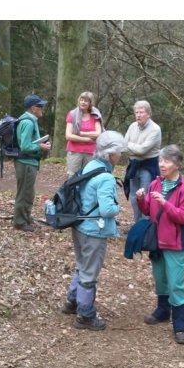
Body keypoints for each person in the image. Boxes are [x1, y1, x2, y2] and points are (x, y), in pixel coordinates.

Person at [60, 130, 127, 330]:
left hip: (79, 225)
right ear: (111, 154)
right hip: (94, 230)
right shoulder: (105, 177)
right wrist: (118, 208)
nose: (121, 155)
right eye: (119, 152)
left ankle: (72, 301)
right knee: (89, 272)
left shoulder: (91, 165)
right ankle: (85, 314)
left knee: (82, 265)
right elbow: (107, 210)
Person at [136, 145, 184, 345]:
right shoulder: (155, 183)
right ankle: (162, 311)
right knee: (160, 279)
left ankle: (180, 325)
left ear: (177, 164)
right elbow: (147, 211)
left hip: (175, 243)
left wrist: (164, 203)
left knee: (176, 284)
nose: (162, 164)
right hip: (156, 241)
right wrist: (142, 199)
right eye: (161, 160)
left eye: (167, 161)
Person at [13, 94, 52, 232]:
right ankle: (19, 222)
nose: (42, 109)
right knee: (24, 193)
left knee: (29, 193)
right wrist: (40, 147)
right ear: (33, 108)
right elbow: (25, 146)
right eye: (40, 106)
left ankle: (26, 218)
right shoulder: (28, 122)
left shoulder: (30, 120)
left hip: (29, 162)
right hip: (25, 163)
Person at [124, 100, 161, 222]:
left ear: (148, 114)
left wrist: (130, 146)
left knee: (145, 197)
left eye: (141, 112)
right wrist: (133, 148)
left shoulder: (155, 129)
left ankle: (146, 226)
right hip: (133, 165)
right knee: (134, 197)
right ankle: (137, 225)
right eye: (136, 112)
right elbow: (123, 146)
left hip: (148, 167)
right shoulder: (132, 126)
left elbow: (142, 150)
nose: (138, 115)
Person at [64, 91, 104, 178]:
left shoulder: (95, 115)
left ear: (90, 103)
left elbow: (98, 133)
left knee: (89, 176)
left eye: (86, 101)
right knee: (72, 177)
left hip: (90, 152)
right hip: (74, 151)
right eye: (81, 100)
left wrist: (80, 133)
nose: (83, 102)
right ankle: (72, 192)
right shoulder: (72, 114)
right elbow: (68, 136)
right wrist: (87, 139)